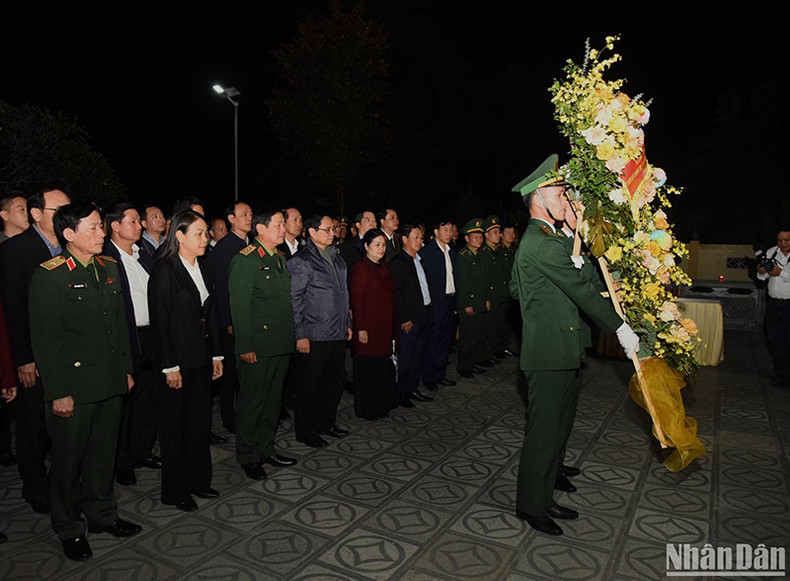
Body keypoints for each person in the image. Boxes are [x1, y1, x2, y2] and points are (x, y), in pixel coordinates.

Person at [509, 154, 639, 536]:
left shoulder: (547, 240)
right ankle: (531, 506)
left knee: (557, 428)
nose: (565, 199)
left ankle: (545, 494)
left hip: (558, 349)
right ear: (538, 199)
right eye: (558, 192)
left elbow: (519, 289)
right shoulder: (541, 242)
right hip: (548, 353)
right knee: (544, 434)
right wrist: (618, 327)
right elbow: (581, 292)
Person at [29, 202, 142, 561]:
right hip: (74, 388)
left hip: (109, 382)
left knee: (102, 457)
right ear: (69, 234)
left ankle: (102, 515)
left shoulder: (107, 267)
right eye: (92, 228)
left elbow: (119, 327)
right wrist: (58, 392)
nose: (101, 233)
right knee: (67, 462)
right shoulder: (50, 275)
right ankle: (68, 527)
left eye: (100, 227)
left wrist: (125, 369)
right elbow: (46, 341)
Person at [0, 186, 70, 515]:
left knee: (64, 425)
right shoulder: (16, 250)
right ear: (36, 214)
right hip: (34, 356)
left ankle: (64, 482)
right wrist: (24, 358)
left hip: (68, 353)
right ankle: (34, 486)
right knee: (32, 427)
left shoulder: (72, 247)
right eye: (57, 210)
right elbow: (13, 310)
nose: (64, 216)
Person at [148, 210, 224, 512]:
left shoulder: (203, 267)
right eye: (199, 233)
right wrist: (169, 365)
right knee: (174, 427)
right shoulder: (164, 269)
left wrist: (217, 353)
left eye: (206, 233)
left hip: (202, 359)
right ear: (179, 236)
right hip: (176, 363)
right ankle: (175, 490)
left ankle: (198, 481)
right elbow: (160, 322)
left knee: (198, 423)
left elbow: (212, 314)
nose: (205, 239)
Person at [229, 209, 297, 480]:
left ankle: (266, 448)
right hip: (257, 345)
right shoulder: (245, 260)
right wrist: (245, 346)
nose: (283, 229)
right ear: (261, 229)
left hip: (279, 342)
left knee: (272, 402)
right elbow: (239, 307)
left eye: (283, 224)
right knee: (252, 403)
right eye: (278, 225)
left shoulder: (279, 258)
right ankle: (248, 455)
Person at [103, 203, 161, 487]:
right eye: (134, 221)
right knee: (125, 401)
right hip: (127, 337)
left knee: (148, 398)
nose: (139, 226)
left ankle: (142, 450)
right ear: (115, 226)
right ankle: (122, 460)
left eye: (139, 221)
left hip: (151, 335)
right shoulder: (106, 257)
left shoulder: (144, 254)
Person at [288, 214, 352, 448]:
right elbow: (294, 299)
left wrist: (348, 324)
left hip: (337, 331)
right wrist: (300, 333)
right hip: (314, 334)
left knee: (333, 383)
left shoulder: (337, 258)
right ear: (312, 232)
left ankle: (327, 422)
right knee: (309, 386)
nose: (332, 233)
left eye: (333, 229)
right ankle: (306, 430)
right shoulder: (302, 260)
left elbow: (345, 295)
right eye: (326, 230)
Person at [208, 201, 253, 437]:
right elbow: (223, 291)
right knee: (230, 374)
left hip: (247, 320)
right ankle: (229, 417)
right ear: (231, 219)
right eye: (243, 214)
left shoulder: (249, 245)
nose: (249, 217)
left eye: (250, 214)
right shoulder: (226, 248)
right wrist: (229, 321)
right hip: (230, 322)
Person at [349, 228, 398, 420]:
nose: (381, 248)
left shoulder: (383, 266)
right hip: (368, 328)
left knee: (381, 369)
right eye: (376, 244)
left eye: (383, 245)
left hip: (384, 328)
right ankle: (365, 408)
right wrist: (361, 328)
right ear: (366, 246)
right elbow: (357, 301)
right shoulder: (360, 269)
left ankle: (379, 405)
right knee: (367, 371)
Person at [389, 223, 434, 407]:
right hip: (410, 319)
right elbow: (397, 293)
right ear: (405, 240)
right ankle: (401, 393)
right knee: (406, 357)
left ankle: (412, 388)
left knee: (418, 356)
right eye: (415, 237)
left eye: (421, 237)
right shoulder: (398, 262)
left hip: (424, 314)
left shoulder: (420, 260)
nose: (419, 240)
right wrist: (404, 317)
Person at [419, 219, 459, 390]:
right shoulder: (427, 253)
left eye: (451, 230)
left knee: (445, 342)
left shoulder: (452, 253)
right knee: (432, 341)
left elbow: (456, 280)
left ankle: (439, 374)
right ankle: (428, 377)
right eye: (445, 229)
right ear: (436, 232)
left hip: (450, 302)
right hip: (436, 304)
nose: (448, 233)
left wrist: (457, 304)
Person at [456, 218, 490, 378]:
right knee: (468, 337)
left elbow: (484, 281)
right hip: (469, 303)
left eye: (481, 236)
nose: (479, 239)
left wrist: (486, 299)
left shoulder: (480, 255)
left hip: (480, 301)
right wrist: (466, 304)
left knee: (477, 335)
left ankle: (473, 363)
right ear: (467, 238)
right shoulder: (463, 256)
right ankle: (464, 366)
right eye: (475, 236)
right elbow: (462, 283)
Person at [757, 229, 790, 386]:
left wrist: (781, 273)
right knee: (773, 338)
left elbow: (781, 274)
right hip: (774, 304)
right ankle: (780, 372)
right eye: (780, 240)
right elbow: (763, 277)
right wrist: (762, 271)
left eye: (786, 240)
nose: (782, 244)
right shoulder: (772, 252)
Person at [480, 215, 515, 360]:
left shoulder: (496, 251)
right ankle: (484, 355)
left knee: (497, 326)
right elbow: (483, 279)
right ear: (487, 235)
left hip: (501, 294)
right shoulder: (484, 253)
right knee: (487, 328)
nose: (498, 235)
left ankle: (493, 351)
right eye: (495, 232)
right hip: (491, 296)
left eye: (498, 232)